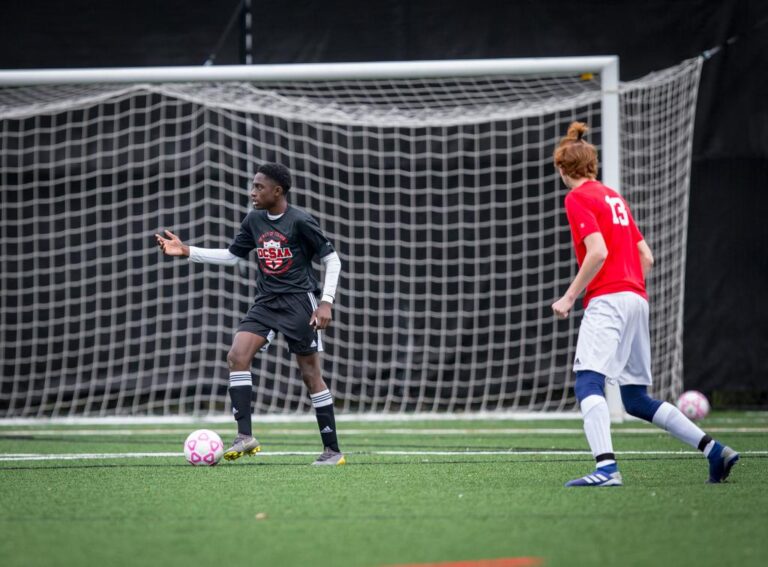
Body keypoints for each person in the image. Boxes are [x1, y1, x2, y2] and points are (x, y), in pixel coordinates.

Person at [551, 122, 738, 486]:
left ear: (562, 169)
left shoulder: (576, 199)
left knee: (588, 382)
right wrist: (627, 288)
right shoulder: (613, 197)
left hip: (608, 301)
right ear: (593, 166)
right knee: (635, 398)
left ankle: (606, 469)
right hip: (636, 298)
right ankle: (714, 450)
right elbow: (646, 256)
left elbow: (598, 252)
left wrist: (570, 295)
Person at [155, 163, 345, 466]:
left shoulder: (300, 222)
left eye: (259, 187)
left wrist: (326, 302)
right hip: (266, 302)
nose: (252, 192)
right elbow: (232, 256)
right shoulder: (254, 221)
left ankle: (332, 451)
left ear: (277, 191)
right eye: (253, 186)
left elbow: (332, 260)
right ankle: (245, 436)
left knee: (311, 376)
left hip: (299, 302)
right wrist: (187, 250)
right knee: (237, 356)